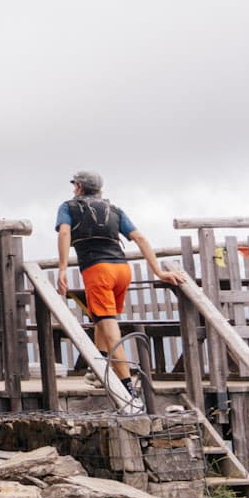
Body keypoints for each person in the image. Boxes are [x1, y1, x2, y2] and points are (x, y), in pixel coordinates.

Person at [54, 170, 185, 399]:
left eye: (75, 185)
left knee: (110, 328)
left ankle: (127, 388)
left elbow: (64, 233)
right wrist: (159, 272)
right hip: (122, 270)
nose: (73, 188)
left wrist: (63, 268)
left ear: (80, 188)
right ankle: (98, 370)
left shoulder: (68, 207)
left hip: (97, 270)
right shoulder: (114, 210)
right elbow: (141, 238)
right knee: (100, 320)